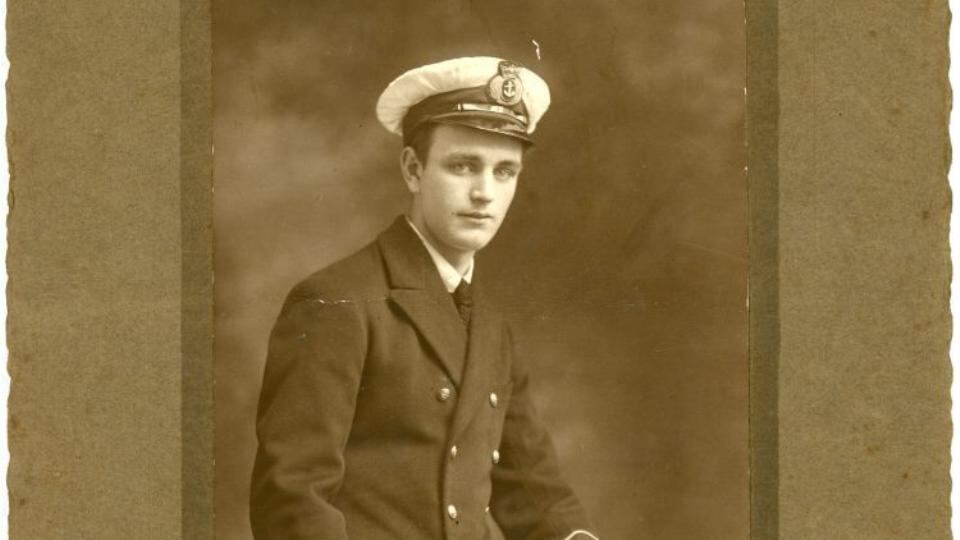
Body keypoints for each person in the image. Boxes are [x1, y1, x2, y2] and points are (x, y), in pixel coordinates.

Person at [251, 56, 598, 540]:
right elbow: (292, 500)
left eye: (504, 172)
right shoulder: (335, 303)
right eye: (463, 166)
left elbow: (533, 492)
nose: (484, 193)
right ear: (413, 170)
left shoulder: (491, 329)